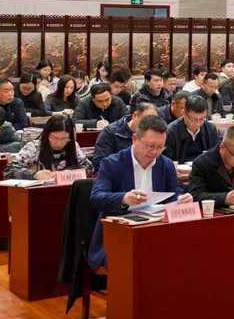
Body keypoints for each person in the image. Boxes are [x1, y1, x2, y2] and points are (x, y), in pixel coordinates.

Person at [88, 115, 191, 268]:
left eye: (160, 147)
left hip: (156, 230)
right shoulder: (112, 164)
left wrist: (182, 198)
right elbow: (96, 197)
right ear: (135, 139)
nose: (154, 152)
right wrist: (124, 198)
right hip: (119, 234)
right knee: (141, 261)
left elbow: (174, 192)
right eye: (150, 146)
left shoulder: (166, 164)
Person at [4, 114, 92, 180]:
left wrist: (71, 173)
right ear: (46, 134)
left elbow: (89, 168)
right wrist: (33, 175)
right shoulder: (34, 147)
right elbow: (9, 171)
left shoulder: (73, 146)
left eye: (64, 138)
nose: (58, 143)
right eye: (54, 138)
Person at [92, 102, 158, 172]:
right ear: (135, 115)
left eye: (153, 122)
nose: (149, 125)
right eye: (146, 120)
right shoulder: (110, 132)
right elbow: (100, 163)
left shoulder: (154, 134)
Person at [163, 95, 221, 163]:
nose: (198, 123)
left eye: (202, 119)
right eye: (194, 119)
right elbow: (167, 161)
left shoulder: (210, 129)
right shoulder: (171, 132)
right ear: (184, 114)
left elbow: (216, 156)